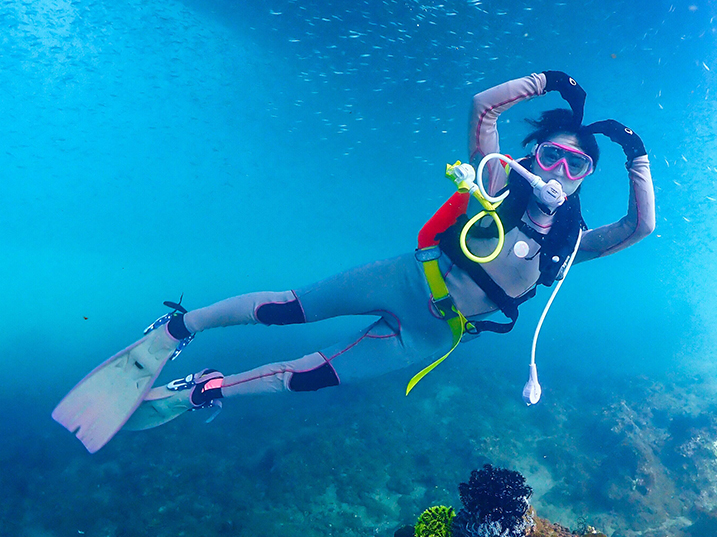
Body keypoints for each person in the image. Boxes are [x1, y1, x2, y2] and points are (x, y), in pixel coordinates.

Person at [53, 71, 655, 452]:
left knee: (312, 375)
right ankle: (179, 328)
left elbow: (638, 227)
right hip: (400, 280)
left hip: (432, 335)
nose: (558, 173)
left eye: (577, 167)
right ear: (535, 152)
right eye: (552, 156)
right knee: (289, 310)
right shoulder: (494, 182)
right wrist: (546, 79)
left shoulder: (570, 244)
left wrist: (636, 154)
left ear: (587, 180)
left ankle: (201, 393)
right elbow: (483, 108)